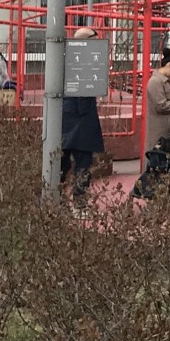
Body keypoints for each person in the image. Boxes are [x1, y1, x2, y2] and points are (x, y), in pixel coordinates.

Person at [59, 26, 105, 211]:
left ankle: (57, 199)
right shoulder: (85, 63)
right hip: (82, 121)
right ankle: (79, 201)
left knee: (62, 163)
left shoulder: (63, 59)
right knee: (83, 164)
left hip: (64, 120)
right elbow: (84, 95)